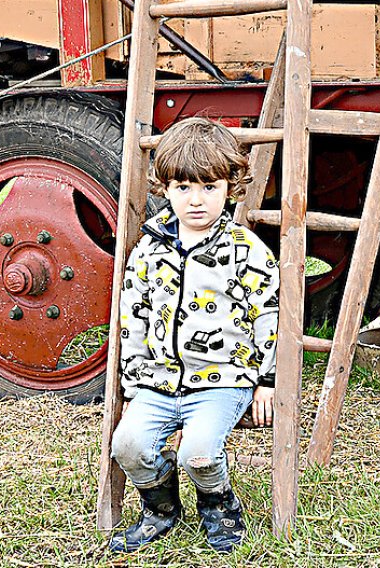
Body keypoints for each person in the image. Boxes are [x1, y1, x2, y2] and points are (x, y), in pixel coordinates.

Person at [109, 117, 280, 554]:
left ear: (231, 186)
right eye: (183, 188)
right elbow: (134, 320)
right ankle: (160, 507)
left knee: (198, 451)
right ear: (165, 188)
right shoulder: (148, 250)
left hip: (224, 380)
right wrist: (132, 384)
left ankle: (218, 504)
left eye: (209, 187)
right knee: (127, 445)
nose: (197, 200)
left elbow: (268, 318)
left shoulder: (246, 250)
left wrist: (267, 381)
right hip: (158, 380)